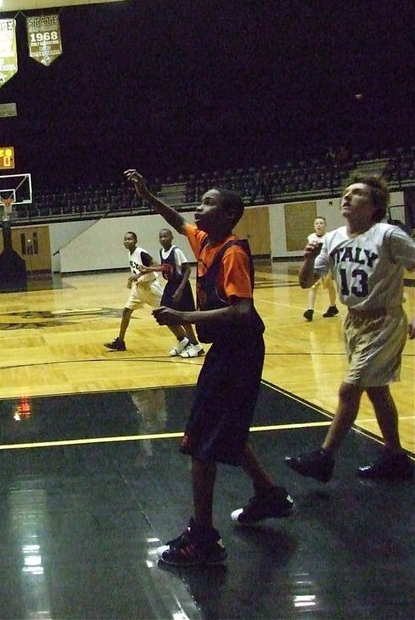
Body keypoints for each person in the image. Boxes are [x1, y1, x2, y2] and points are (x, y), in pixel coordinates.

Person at [125, 168, 295, 567]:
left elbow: (242, 311)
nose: (198, 211)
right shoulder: (205, 240)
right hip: (230, 351)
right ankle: (268, 494)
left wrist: (185, 315)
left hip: (239, 351)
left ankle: (202, 538)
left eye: (208, 205)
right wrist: (148, 194)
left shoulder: (233, 252)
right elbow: (174, 219)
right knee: (226, 430)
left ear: (229, 216)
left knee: (201, 438)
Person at [286, 177, 415, 482]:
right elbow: (306, 282)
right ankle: (396, 456)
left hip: (384, 320)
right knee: (376, 390)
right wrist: (306, 259)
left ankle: (325, 457)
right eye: (345, 193)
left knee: (349, 388)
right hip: (353, 321)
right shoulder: (331, 238)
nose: (347, 197)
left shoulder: (388, 235)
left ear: (374, 206)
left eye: (357, 194)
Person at [148, 228, 204, 357]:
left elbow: (188, 269)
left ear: (172, 237)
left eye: (166, 236)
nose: (163, 239)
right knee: (164, 314)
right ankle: (182, 340)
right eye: (161, 237)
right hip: (170, 285)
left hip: (181, 286)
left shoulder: (176, 251)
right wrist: (148, 269)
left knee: (184, 318)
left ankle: (196, 346)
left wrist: (180, 289)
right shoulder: (162, 251)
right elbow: (165, 267)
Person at [104, 231, 163, 351]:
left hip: (150, 287)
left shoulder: (141, 253)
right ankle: (120, 342)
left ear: (135, 241)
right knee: (126, 312)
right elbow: (137, 271)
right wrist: (133, 279)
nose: (127, 241)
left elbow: (157, 265)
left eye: (130, 239)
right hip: (139, 288)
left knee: (165, 314)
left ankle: (184, 339)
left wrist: (140, 274)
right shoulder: (130, 254)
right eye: (125, 239)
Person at [303, 216, 338, 321]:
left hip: (327, 266)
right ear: (314, 226)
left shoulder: (330, 237)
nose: (319, 225)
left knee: (330, 286)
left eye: (321, 223)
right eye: (317, 223)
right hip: (315, 266)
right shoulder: (311, 237)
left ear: (325, 225)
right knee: (313, 286)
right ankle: (310, 310)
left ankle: (332, 306)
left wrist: (331, 269)